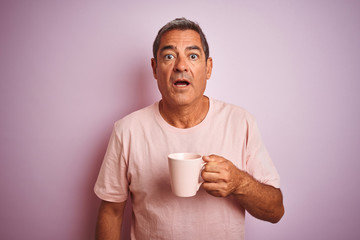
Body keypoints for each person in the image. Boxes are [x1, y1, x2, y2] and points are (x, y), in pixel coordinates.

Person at [94, 17, 284, 240]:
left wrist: (239, 183)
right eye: (169, 56)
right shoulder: (127, 130)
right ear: (155, 68)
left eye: (192, 56)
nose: (181, 66)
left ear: (208, 67)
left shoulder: (240, 122)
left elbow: (275, 211)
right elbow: (111, 212)